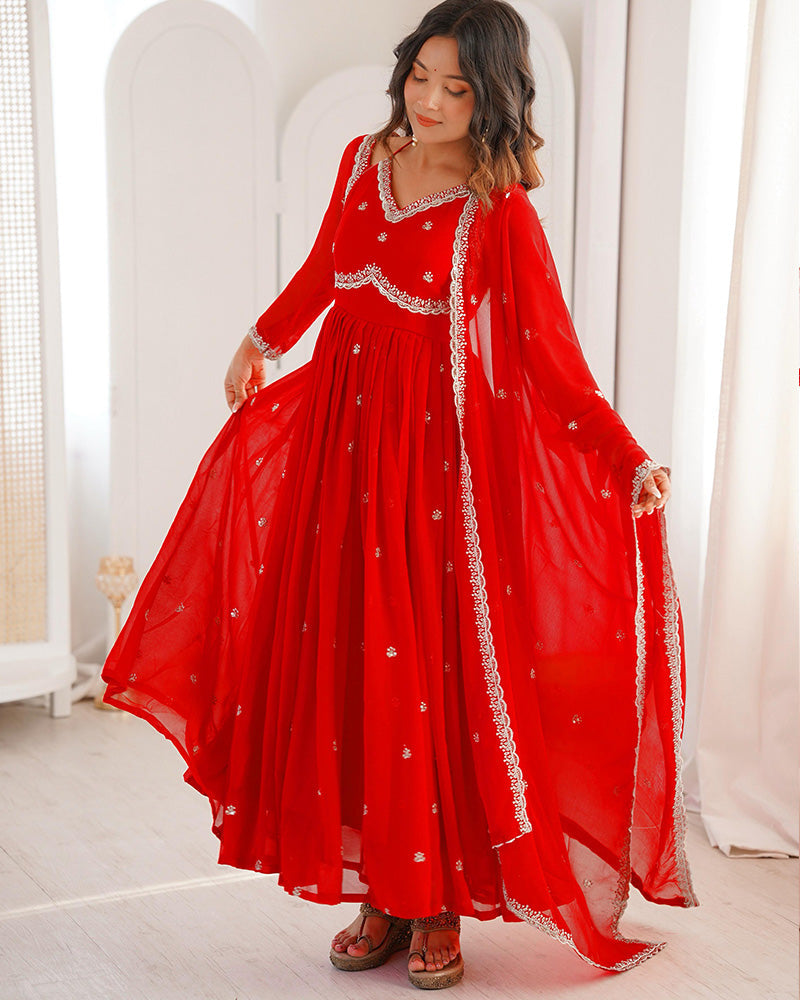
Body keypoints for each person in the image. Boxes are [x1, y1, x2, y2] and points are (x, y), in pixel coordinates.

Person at [102, 0, 699, 989]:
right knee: (346, 665)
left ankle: (434, 900)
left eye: (455, 88)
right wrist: (260, 338)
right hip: (337, 457)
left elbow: (548, 357)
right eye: (420, 76)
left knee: (419, 682)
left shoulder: (494, 208)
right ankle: (380, 890)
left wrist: (623, 454)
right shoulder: (359, 162)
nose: (429, 101)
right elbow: (323, 274)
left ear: (490, 98)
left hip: (429, 481)